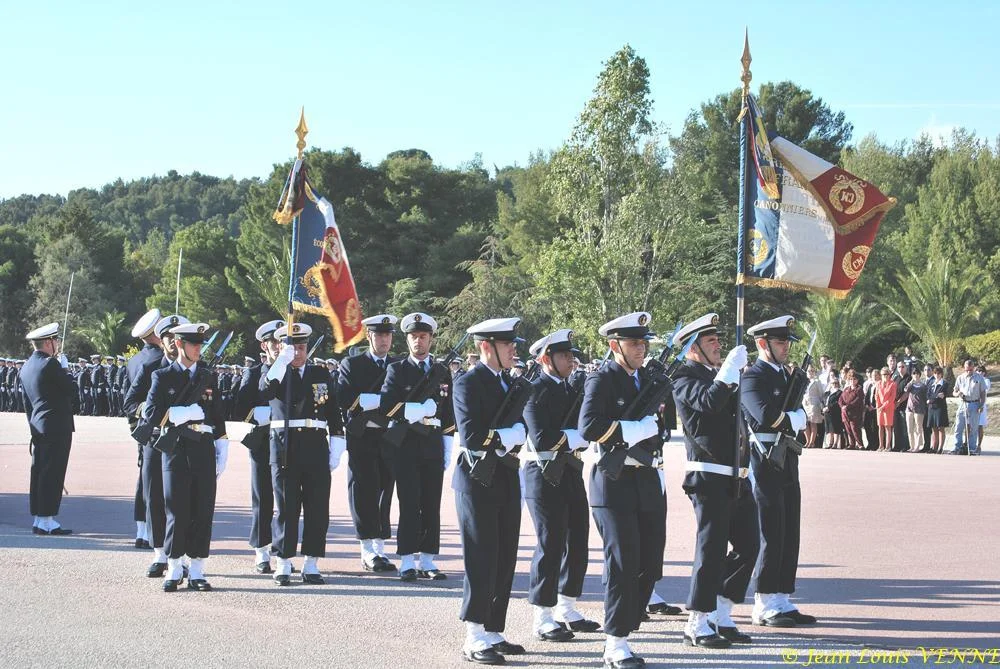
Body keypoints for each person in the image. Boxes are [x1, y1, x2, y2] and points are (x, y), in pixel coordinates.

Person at [579, 312, 667, 667]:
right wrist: (632, 430)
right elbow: (588, 426)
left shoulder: (646, 380)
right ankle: (615, 643)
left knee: (650, 562)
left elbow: (658, 431)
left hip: (646, 480)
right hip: (612, 483)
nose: (641, 349)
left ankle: (627, 625)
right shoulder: (602, 380)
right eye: (633, 343)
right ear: (615, 346)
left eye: (643, 343)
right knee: (622, 561)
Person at [671, 314, 758, 649]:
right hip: (708, 475)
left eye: (718, 340)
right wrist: (728, 373)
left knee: (749, 545)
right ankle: (697, 621)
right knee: (711, 550)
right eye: (711, 341)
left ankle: (721, 611)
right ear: (693, 348)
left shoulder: (720, 375)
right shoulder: (683, 377)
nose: (719, 346)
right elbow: (708, 402)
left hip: (736, 474)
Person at [453, 317, 527, 665]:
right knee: (481, 556)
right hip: (476, 479)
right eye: (507, 344)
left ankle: (494, 629)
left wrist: (513, 435)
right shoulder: (467, 383)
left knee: (504, 555)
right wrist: (508, 436)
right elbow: (471, 435)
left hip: (505, 475)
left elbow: (520, 426)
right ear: (487, 347)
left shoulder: (509, 383)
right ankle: (474, 634)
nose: (513, 350)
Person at [521, 329, 598, 643]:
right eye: (564, 355)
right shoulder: (532, 390)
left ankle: (567, 606)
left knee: (578, 539)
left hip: (569, 470)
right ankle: (542, 615)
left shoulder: (572, 389)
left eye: (571, 355)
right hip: (542, 473)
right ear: (545, 359)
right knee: (550, 542)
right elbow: (542, 438)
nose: (571, 360)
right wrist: (577, 437)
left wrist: (578, 436)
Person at [741, 315, 817, 628]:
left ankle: (782, 596)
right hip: (764, 459)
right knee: (770, 531)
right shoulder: (752, 377)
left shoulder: (787, 376)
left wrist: (795, 417)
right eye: (780, 342)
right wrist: (795, 419)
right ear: (763, 343)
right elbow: (764, 416)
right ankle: (763, 602)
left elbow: (793, 412)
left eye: (787, 341)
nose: (786, 347)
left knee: (789, 529)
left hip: (786, 457)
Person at [143, 322, 228, 592]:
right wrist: (180, 413)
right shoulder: (162, 376)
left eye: (201, 344)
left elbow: (217, 415)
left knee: (203, 509)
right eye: (194, 344)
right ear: (179, 344)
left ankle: (198, 570)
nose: (198, 349)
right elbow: (151, 413)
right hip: (176, 449)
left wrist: (222, 444)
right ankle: (174, 566)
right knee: (176, 510)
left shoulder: (207, 376)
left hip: (203, 447)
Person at [259, 322, 345, 585]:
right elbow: (265, 390)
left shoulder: (320, 373)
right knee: (287, 507)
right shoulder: (276, 372)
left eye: (301, 347)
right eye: (292, 347)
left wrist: (337, 440)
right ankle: (283, 562)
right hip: (285, 445)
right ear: (282, 348)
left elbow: (332, 409)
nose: (297, 352)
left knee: (317, 507)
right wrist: (280, 362)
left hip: (315, 444)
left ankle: (311, 562)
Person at [380, 312, 454, 581]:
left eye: (423, 336)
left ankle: (428, 560)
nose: (418, 341)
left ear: (431, 339)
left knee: (431, 503)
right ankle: (407, 560)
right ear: (407, 339)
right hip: (407, 444)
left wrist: (448, 444)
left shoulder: (442, 371)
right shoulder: (397, 370)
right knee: (409, 502)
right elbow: (387, 406)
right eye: (413, 336)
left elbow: (449, 412)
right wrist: (417, 409)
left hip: (432, 443)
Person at [336, 314, 399, 573]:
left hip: (389, 437)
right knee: (363, 491)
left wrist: (375, 402)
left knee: (385, 490)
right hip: (362, 437)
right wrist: (380, 402)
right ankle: (367, 548)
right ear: (369, 337)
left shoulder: (397, 365)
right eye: (379, 335)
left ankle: (380, 546)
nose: (384, 340)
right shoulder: (353, 364)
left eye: (387, 335)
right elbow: (344, 397)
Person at [233, 319, 285, 573]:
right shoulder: (253, 374)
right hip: (263, 442)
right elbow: (240, 408)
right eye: (273, 342)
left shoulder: (291, 371)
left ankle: (283, 549)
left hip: (287, 443)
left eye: (281, 341)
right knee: (262, 498)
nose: (278, 346)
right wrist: (264, 415)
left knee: (286, 500)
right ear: (264, 346)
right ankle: (261, 550)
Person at [21, 322, 76, 535]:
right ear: (48, 342)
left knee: (39, 472)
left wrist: (33, 427)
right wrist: (65, 369)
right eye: (56, 340)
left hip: (38, 426)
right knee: (53, 473)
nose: (58, 344)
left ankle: (39, 518)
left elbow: (27, 404)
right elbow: (72, 389)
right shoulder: (50, 364)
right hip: (56, 426)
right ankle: (47, 520)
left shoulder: (27, 366)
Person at [122, 308, 164, 549]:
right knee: (155, 480)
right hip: (157, 426)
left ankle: (141, 528)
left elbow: (129, 401)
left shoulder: (134, 360)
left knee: (144, 477)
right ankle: (150, 530)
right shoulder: (158, 360)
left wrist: (136, 427)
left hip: (142, 427)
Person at [951, 359, 988, 456]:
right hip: (963, 403)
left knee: (974, 428)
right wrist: (958, 393)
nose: (968, 372)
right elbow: (954, 392)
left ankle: (972, 448)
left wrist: (981, 405)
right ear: (964, 368)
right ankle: (957, 447)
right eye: (966, 370)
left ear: (973, 368)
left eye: (970, 370)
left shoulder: (979, 378)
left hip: (975, 404)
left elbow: (983, 393)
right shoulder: (960, 377)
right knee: (958, 426)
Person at [838, 372, 865, 450]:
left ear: (857, 380)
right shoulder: (846, 389)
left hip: (855, 413)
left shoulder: (859, 389)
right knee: (848, 429)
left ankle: (860, 444)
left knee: (855, 429)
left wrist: (848, 406)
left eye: (854, 379)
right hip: (845, 413)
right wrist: (842, 406)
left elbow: (858, 400)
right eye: (851, 379)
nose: (852, 381)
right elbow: (840, 399)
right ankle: (852, 444)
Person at [926, 366, 949, 454]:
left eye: (938, 373)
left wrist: (931, 399)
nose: (937, 375)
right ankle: (934, 447)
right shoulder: (931, 383)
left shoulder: (944, 383)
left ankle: (940, 448)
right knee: (934, 428)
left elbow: (941, 396)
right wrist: (934, 397)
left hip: (940, 408)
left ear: (941, 374)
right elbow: (928, 394)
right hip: (932, 408)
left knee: (940, 428)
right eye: (935, 373)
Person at [904, 370, 927, 453]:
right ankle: (912, 446)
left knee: (918, 428)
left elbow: (925, 396)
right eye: (914, 374)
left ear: (919, 375)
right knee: (910, 428)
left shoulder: (923, 386)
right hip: (909, 408)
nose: (915, 375)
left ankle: (917, 446)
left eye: (917, 374)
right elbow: (906, 390)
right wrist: (911, 382)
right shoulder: (911, 385)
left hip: (919, 409)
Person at [875, 368, 896, 452]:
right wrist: (878, 406)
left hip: (888, 408)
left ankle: (888, 446)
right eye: (883, 374)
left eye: (887, 374)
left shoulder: (893, 384)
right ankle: (881, 445)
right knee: (880, 427)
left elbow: (892, 397)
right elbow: (876, 395)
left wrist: (884, 406)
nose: (885, 376)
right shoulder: (878, 383)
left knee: (888, 427)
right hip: (880, 408)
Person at [801, 367, 823, 448]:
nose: (810, 372)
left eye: (812, 371)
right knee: (805, 423)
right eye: (809, 371)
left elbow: (821, 393)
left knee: (813, 422)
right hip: (805, 403)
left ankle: (812, 442)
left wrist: (821, 404)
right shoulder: (804, 381)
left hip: (814, 403)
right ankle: (807, 441)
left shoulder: (817, 381)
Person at [821, 377, 843, 449]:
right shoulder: (827, 393)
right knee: (829, 429)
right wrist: (823, 408)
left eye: (836, 383)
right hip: (827, 413)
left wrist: (829, 407)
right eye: (833, 383)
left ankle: (835, 443)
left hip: (835, 412)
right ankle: (830, 443)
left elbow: (837, 402)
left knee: (835, 428)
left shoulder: (840, 392)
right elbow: (823, 401)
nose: (834, 384)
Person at [976, 365, 990, 449]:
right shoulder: (974, 379)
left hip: (981, 404)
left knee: (979, 425)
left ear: (984, 373)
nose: (980, 372)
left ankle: (979, 445)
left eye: (981, 371)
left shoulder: (986, 381)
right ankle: (970, 444)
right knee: (971, 425)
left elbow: (984, 390)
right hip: (973, 403)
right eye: (978, 371)